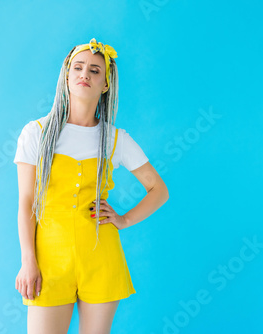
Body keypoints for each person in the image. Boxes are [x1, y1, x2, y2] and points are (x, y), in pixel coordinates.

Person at [13, 38, 169, 334]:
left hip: (101, 258)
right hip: (49, 262)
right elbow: (26, 202)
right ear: (67, 76)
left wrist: (123, 220)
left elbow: (159, 190)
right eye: (78, 67)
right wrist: (28, 260)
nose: (85, 74)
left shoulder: (115, 138)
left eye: (95, 71)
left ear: (106, 84)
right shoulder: (36, 133)